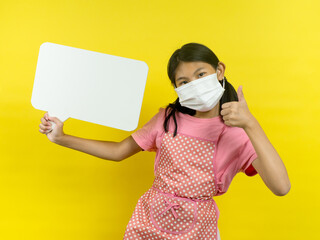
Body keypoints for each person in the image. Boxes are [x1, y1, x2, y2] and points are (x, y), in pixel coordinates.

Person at [39, 42, 291, 240]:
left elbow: (281, 187)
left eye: (201, 74)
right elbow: (119, 151)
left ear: (219, 71)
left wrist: (251, 123)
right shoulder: (166, 119)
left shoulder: (238, 133)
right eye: (184, 82)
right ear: (177, 89)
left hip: (198, 229)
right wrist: (62, 138)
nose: (194, 84)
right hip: (149, 221)